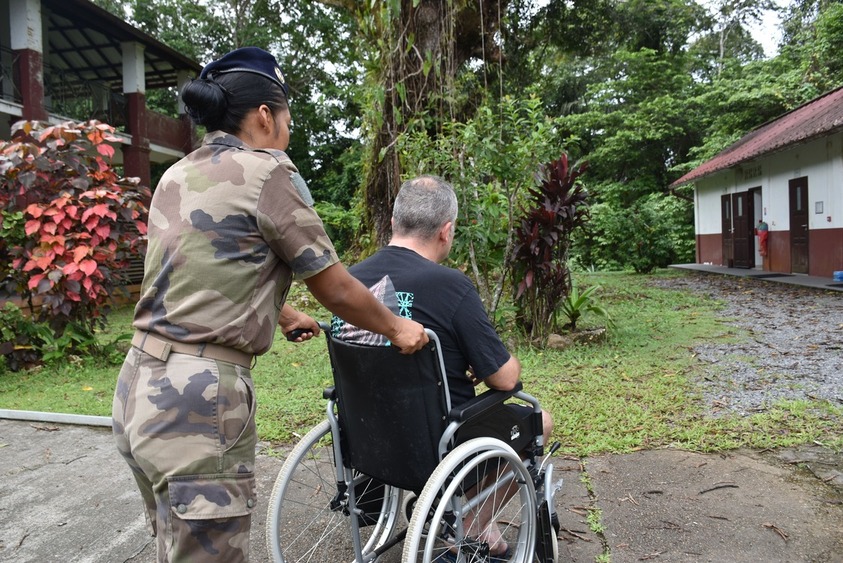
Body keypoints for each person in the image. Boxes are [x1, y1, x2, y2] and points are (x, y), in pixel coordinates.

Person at [111, 47, 427, 563]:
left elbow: (200, 263)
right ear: (264, 116)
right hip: (198, 401)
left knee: (176, 547)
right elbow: (337, 288)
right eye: (287, 118)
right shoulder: (268, 174)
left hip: (137, 389)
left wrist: (281, 312)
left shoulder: (178, 174)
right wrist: (398, 330)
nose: (287, 130)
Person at [332, 175, 553, 560]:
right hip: (435, 445)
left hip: (367, 438)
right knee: (540, 418)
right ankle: (471, 523)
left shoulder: (350, 281)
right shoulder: (450, 286)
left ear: (395, 221)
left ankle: (471, 520)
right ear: (446, 231)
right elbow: (505, 378)